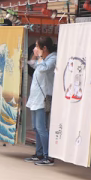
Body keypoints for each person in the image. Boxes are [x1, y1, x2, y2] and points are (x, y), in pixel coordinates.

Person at [24, 36, 58, 166]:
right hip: (36, 97)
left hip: (44, 97)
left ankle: (48, 156)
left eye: (38, 47)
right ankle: (38, 154)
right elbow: (32, 64)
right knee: (36, 128)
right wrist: (35, 55)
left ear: (44, 48)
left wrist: (39, 57)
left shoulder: (53, 58)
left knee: (41, 128)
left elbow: (44, 68)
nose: (36, 49)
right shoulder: (42, 59)